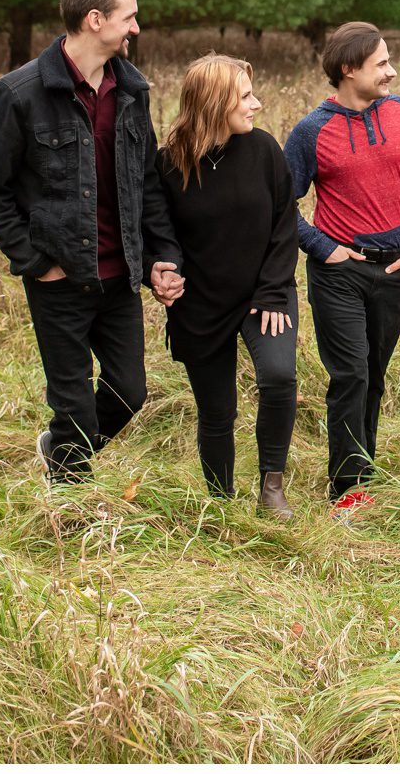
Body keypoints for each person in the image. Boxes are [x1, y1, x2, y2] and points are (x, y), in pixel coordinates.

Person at [0, 0, 185, 484]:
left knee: (129, 395)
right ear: (94, 19)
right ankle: (71, 517)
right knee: (74, 409)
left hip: (120, 277)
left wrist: (162, 255)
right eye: (128, 17)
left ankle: (61, 451)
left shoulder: (133, 90)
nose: (136, 27)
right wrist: (36, 262)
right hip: (60, 279)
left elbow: (146, 183)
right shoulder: (19, 95)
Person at [283, 22, 400, 517]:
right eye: (381, 63)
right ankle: (346, 488)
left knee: (375, 373)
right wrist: (323, 248)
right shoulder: (310, 131)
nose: (391, 71)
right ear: (349, 69)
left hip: (394, 270)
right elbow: (281, 206)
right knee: (350, 374)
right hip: (339, 272)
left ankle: (364, 466)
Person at [156, 55, 300, 519]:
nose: (256, 104)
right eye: (244, 96)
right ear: (215, 103)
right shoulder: (169, 164)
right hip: (200, 302)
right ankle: (221, 502)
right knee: (217, 410)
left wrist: (275, 289)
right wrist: (165, 269)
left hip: (265, 293)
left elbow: (285, 223)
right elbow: (161, 232)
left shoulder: (264, 150)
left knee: (279, 377)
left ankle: (271, 486)